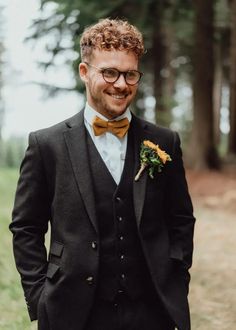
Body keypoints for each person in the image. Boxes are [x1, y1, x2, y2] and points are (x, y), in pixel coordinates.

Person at [10, 18, 195, 330]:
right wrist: (40, 295)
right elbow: (26, 227)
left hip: (152, 312)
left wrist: (175, 278)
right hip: (74, 313)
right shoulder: (47, 145)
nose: (121, 84)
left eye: (130, 74)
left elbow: (180, 219)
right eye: (109, 72)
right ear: (85, 72)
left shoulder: (164, 142)